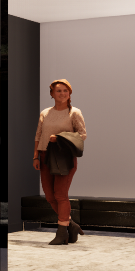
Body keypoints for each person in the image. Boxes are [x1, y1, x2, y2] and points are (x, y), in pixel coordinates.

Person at [33, 78, 87, 245]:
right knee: (50, 196)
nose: (62, 93)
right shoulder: (45, 113)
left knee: (60, 195)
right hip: (45, 156)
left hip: (64, 157)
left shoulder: (74, 112)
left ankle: (62, 232)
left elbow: (82, 134)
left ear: (69, 93)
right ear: (52, 94)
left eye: (65, 90)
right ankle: (71, 224)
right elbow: (38, 136)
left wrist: (60, 137)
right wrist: (35, 156)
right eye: (58, 91)